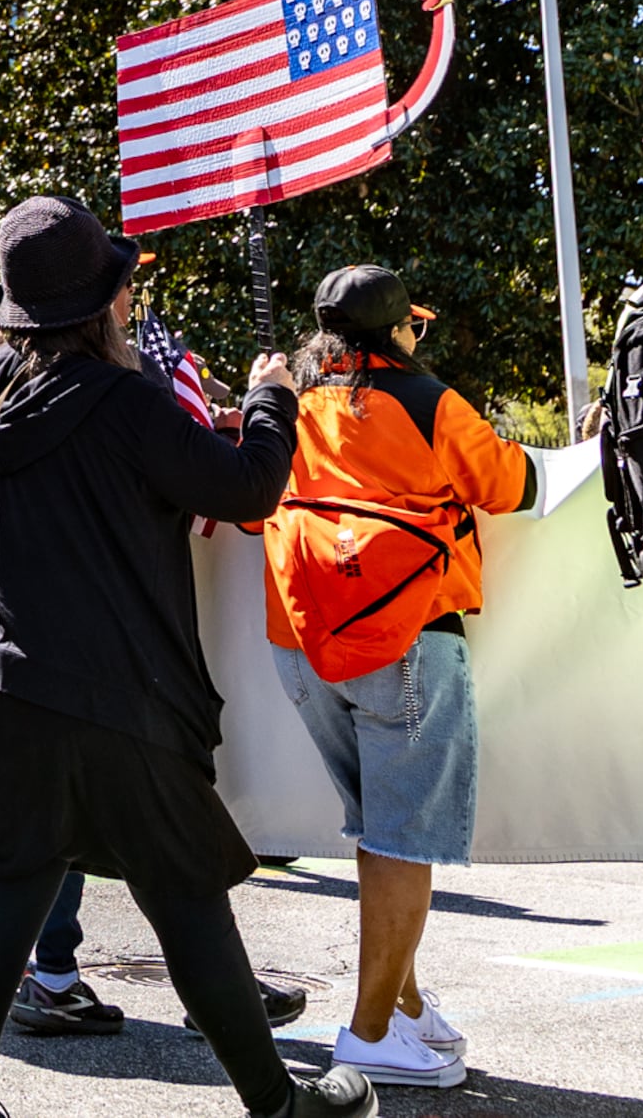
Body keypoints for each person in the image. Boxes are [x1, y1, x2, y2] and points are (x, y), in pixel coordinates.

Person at [0, 196, 354, 1118]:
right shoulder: (128, 401)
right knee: (185, 898)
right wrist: (270, 397)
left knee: (12, 884)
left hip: (0, 684)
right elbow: (252, 487)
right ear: (98, 302)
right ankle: (277, 1103)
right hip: (121, 696)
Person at [262, 264, 531, 1089]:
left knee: (379, 833)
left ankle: (404, 1005)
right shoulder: (428, 399)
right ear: (396, 331)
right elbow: (509, 483)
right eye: (414, 322)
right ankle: (371, 1029)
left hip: (299, 640)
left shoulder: (293, 403)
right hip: (407, 638)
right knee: (403, 839)